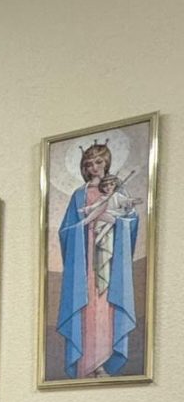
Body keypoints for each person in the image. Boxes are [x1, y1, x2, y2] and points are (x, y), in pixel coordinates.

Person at [56, 141, 140, 379]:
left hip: (111, 261)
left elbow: (130, 219)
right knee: (88, 307)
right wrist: (84, 227)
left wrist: (116, 221)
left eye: (98, 162)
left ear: (107, 162)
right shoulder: (79, 195)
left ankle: (103, 363)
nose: (94, 167)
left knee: (106, 307)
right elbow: (66, 230)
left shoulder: (118, 189)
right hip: (85, 263)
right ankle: (86, 365)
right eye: (89, 163)